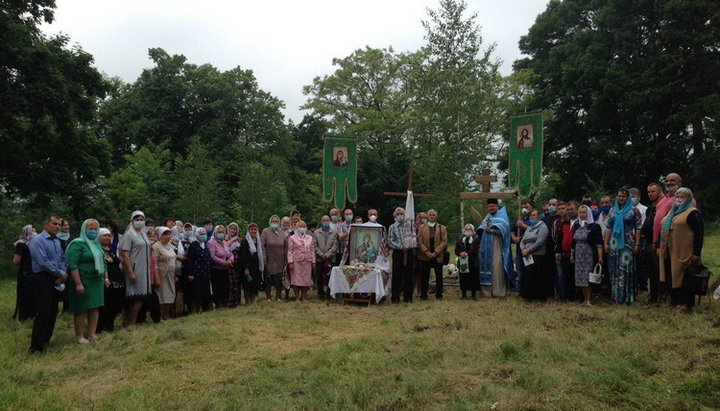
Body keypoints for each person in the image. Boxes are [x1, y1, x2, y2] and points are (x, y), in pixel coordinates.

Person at [28, 214, 67, 353]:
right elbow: (43, 262)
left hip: (56, 278)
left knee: (52, 311)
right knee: (43, 311)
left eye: (59, 224)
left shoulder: (57, 241)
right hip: (43, 278)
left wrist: (62, 272)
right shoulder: (37, 240)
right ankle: (35, 346)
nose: (57, 227)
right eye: (54, 224)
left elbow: (62, 258)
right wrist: (60, 273)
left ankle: (46, 339)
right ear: (46, 224)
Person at [660, 188, 704, 311]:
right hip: (669, 250)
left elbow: (699, 234)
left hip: (685, 252)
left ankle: (685, 304)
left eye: (682, 197)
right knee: (672, 276)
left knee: (685, 278)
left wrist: (696, 253)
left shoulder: (693, 213)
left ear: (689, 199)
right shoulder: (672, 212)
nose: (679, 199)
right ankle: (675, 302)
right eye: (677, 196)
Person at [65, 218, 106, 344]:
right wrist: (78, 283)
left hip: (96, 280)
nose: (93, 232)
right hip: (82, 279)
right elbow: (73, 265)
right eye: (90, 229)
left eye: (95, 229)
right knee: (81, 308)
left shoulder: (96, 243)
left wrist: (105, 277)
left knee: (94, 307)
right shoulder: (77, 244)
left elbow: (103, 260)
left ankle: (92, 334)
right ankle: (79, 336)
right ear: (84, 230)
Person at [604, 188, 642, 304]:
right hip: (614, 243)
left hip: (628, 243)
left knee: (626, 269)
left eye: (623, 196)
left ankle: (627, 296)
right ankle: (616, 295)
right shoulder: (612, 211)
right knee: (614, 268)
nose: (621, 198)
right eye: (619, 196)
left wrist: (637, 243)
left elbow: (638, 228)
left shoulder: (633, 211)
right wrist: (606, 242)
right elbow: (608, 227)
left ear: (628, 198)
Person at [120, 211, 153, 327]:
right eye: (137, 219)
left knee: (141, 297)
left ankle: (132, 322)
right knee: (136, 297)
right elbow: (125, 254)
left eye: (141, 219)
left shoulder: (143, 233)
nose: (140, 221)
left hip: (145, 270)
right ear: (132, 220)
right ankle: (129, 323)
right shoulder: (129, 234)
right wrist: (130, 271)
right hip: (135, 268)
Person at [477, 200, 515, 298]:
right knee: (486, 267)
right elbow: (482, 229)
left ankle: (499, 292)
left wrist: (492, 230)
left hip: (497, 246)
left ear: (497, 206)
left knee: (497, 267)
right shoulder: (487, 217)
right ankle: (487, 292)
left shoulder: (503, 216)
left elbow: (505, 233)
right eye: (489, 206)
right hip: (486, 247)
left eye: (492, 206)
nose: (491, 208)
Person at [570, 205, 603, 306]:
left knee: (588, 277)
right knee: (580, 277)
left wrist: (600, 257)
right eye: (580, 213)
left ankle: (589, 299)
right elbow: (573, 242)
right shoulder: (576, 225)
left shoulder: (594, 226)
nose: (582, 215)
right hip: (578, 254)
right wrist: (572, 254)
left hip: (589, 254)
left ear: (588, 213)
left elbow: (598, 243)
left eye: (584, 213)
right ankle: (584, 299)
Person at [640, 182, 664, 303]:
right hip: (648, 242)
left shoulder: (665, 205)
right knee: (651, 272)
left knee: (659, 271)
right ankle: (653, 296)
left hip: (659, 244)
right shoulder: (650, 209)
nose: (650, 194)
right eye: (648, 192)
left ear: (660, 191)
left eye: (653, 191)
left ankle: (662, 296)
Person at [97, 228, 124, 333]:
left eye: (109, 235)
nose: (107, 237)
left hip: (117, 280)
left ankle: (110, 325)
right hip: (106, 280)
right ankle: (100, 326)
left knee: (114, 304)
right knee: (105, 304)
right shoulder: (98, 249)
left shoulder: (111, 249)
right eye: (104, 235)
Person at [417, 209, 448, 300]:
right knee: (424, 276)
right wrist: (426, 252)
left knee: (439, 276)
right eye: (430, 214)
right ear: (427, 216)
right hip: (425, 256)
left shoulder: (442, 228)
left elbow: (444, 242)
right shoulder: (421, 227)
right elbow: (419, 241)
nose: (432, 216)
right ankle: (423, 295)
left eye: (434, 215)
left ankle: (439, 295)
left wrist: (435, 252)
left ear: (436, 216)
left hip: (437, 256)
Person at [519, 209, 549, 301]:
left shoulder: (543, 227)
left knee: (537, 276)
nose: (532, 217)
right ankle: (529, 295)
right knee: (529, 275)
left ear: (539, 216)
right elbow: (522, 241)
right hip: (527, 256)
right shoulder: (529, 227)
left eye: (534, 215)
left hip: (537, 255)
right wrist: (523, 249)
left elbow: (540, 242)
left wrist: (529, 250)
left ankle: (538, 296)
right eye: (531, 215)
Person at [388, 207, 415, 303]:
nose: (400, 215)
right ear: (395, 215)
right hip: (398, 253)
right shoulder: (392, 227)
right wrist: (400, 246)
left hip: (409, 252)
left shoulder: (410, 226)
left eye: (401, 213)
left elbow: (414, 237)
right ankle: (395, 297)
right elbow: (390, 241)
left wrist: (409, 245)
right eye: (398, 214)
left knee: (409, 275)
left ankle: (408, 297)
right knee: (396, 275)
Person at [554, 201, 579, 301]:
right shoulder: (565, 223)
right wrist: (558, 251)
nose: (569, 211)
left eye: (571, 209)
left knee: (574, 276)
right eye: (568, 210)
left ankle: (575, 296)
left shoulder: (580, 223)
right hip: (564, 254)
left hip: (576, 254)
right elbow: (560, 239)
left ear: (576, 209)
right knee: (565, 275)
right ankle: (566, 296)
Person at [12, 224, 36, 322]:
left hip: (25, 272)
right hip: (34, 271)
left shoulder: (20, 244)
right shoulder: (34, 243)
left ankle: (20, 316)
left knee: (23, 294)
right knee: (32, 293)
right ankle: (30, 314)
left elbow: (16, 260)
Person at [261, 215, 287, 302]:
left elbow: (285, 247)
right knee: (268, 278)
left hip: (280, 260)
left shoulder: (282, 233)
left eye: (276, 222)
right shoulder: (265, 231)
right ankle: (268, 297)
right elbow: (262, 246)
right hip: (268, 259)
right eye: (273, 221)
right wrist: (264, 259)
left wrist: (286, 260)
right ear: (270, 222)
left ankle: (278, 297)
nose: (274, 223)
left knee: (279, 279)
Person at [153, 227, 177, 320]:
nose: (167, 236)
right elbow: (154, 262)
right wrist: (157, 277)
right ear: (160, 235)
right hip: (161, 275)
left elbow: (173, 260)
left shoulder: (170, 246)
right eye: (165, 234)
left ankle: (166, 315)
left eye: (169, 234)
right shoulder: (156, 246)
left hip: (170, 275)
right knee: (161, 295)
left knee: (170, 294)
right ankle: (160, 316)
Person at [287, 221, 314, 302]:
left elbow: (312, 250)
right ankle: (297, 297)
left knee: (306, 280)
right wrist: (290, 262)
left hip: (307, 261)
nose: (302, 228)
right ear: (297, 227)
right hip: (296, 261)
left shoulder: (309, 237)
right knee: (296, 279)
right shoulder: (292, 238)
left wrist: (313, 261)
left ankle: (304, 296)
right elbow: (290, 251)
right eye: (300, 226)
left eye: (303, 226)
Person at [186, 227, 212, 313]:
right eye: (201, 234)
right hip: (196, 274)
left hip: (205, 273)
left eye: (204, 234)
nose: (203, 236)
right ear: (197, 234)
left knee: (204, 293)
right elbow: (190, 260)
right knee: (196, 293)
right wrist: (190, 273)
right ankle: (194, 310)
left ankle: (204, 309)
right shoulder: (193, 245)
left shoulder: (205, 245)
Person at [207, 225, 233, 308]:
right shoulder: (211, 242)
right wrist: (224, 262)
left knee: (225, 288)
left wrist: (230, 260)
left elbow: (230, 253)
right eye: (219, 232)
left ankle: (225, 304)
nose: (221, 234)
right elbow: (212, 256)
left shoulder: (224, 242)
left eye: (222, 232)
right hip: (216, 269)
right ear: (215, 232)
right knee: (217, 288)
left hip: (225, 270)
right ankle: (218, 305)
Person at [313, 215, 338, 299]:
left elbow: (335, 245)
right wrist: (321, 254)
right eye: (324, 220)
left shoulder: (334, 232)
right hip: (320, 258)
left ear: (329, 221)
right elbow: (314, 245)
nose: (326, 222)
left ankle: (330, 293)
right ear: (321, 221)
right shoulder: (316, 232)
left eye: (327, 220)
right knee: (319, 276)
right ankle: (320, 293)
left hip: (331, 258)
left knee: (330, 277)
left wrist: (327, 255)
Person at [239, 222, 264, 304]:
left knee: (254, 284)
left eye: (255, 229)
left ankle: (252, 301)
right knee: (247, 285)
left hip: (256, 267)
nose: (253, 231)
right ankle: (247, 302)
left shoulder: (257, 240)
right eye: (251, 229)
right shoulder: (245, 241)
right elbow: (243, 256)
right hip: (248, 267)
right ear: (248, 230)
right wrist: (246, 268)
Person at [455, 223, 479, 300]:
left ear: (473, 230)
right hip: (463, 261)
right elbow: (456, 249)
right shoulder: (460, 238)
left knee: (473, 277)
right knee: (463, 278)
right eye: (466, 229)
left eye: (470, 229)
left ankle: (473, 295)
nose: (468, 231)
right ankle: (463, 295)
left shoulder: (476, 238)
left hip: (473, 260)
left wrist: (467, 253)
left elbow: (475, 248)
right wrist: (460, 253)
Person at [225, 222, 243, 306]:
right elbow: (225, 246)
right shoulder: (225, 238)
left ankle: (237, 301)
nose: (233, 230)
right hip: (229, 264)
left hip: (238, 264)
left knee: (237, 283)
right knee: (230, 283)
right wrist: (233, 239)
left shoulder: (239, 240)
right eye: (231, 228)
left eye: (235, 229)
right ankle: (230, 301)